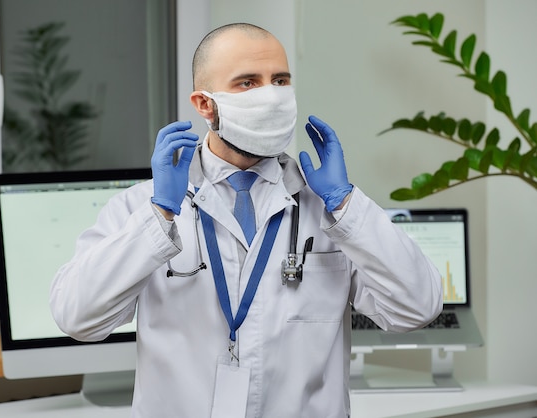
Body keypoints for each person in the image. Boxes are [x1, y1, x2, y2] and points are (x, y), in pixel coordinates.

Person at [50, 23, 442, 418]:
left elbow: (417, 307)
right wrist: (160, 215)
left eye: (280, 80)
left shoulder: (328, 207)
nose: (271, 96)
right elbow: (78, 317)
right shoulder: (143, 206)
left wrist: (346, 205)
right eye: (248, 83)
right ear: (205, 104)